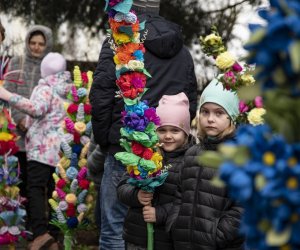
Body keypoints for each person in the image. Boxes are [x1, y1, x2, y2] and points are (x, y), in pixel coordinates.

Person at [89, 0, 198, 249]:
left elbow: (101, 96)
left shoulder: (119, 42)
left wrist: (106, 140)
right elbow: (189, 100)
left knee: (115, 228)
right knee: (156, 225)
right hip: (167, 151)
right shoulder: (182, 52)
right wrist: (178, 140)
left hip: (124, 145)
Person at [0, 52, 72, 250]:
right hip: (60, 153)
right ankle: (54, 235)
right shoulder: (68, 90)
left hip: (40, 151)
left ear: (44, 70)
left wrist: (7, 95)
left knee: (35, 190)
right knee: (55, 194)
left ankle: (40, 233)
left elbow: (36, 109)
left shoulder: (46, 89)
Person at [167, 79, 245, 250]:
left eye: (218, 113)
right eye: (205, 112)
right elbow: (181, 194)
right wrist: (175, 225)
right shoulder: (192, 153)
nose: (210, 119)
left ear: (231, 117)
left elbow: (242, 205)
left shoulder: (238, 156)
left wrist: (218, 235)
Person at [117, 92, 195, 250]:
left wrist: (160, 214)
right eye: (162, 130)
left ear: (186, 133)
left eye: (175, 131)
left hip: (165, 240)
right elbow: (122, 187)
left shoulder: (190, 161)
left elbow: (189, 202)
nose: (167, 136)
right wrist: (136, 195)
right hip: (137, 237)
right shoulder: (144, 154)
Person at [3, 25, 53, 201]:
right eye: (32, 43)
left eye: (41, 43)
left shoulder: (50, 66)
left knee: (37, 181)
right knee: (19, 177)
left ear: (47, 44)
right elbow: (8, 91)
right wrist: (19, 119)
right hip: (19, 131)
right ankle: (19, 221)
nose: (36, 47)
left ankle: (35, 222)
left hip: (40, 134)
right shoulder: (17, 61)